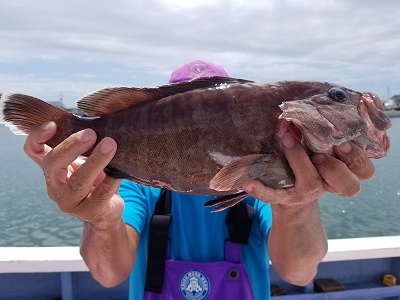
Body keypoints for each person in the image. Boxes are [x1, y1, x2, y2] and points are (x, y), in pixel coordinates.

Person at [23, 60, 375, 300]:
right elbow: (108, 274)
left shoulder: (263, 188)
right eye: (186, 102)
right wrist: (101, 218)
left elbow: (299, 272)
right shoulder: (135, 186)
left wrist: (297, 205)